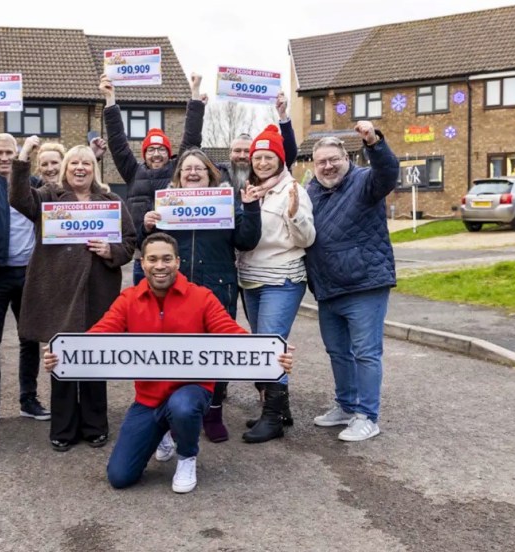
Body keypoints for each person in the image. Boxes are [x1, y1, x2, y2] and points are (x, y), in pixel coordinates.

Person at [42, 233, 294, 493]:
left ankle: (186, 456)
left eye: (166, 259)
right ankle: (162, 432)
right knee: (120, 477)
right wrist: (66, 353)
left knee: (183, 407)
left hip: (192, 391)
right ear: (143, 264)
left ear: (177, 262)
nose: (159, 266)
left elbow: (230, 333)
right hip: (148, 399)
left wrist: (270, 354)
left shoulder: (202, 297)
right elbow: (101, 334)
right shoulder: (129, 299)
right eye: (152, 259)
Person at [9, 137, 136, 451]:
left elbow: (131, 241)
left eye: (86, 164)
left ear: (94, 169)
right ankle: (63, 428)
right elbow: (18, 199)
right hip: (58, 291)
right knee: (62, 360)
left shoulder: (110, 201)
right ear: (65, 169)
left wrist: (112, 250)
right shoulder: (48, 197)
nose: (80, 168)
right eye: (75, 163)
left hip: (98, 292)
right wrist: (23, 157)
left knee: (93, 360)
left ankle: (95, 425)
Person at [139, 149, 261, 442]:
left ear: (210, 175)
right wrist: (146, 227)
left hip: (217, 285)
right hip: (175, 288)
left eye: (199, 169)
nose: (192, 173)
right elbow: (150, 249)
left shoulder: (226, 202)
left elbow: (246, 240)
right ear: (178, 177)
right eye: (186, 170)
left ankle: (213, 411)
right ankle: (172, 410)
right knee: (173, 349)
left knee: (216, 350)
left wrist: (251, 208)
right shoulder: (165, 204)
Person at [305, 120, 400, 442]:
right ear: (314, 165)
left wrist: (374, 142)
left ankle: (367, 416)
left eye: (334, 159)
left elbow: (388, 172)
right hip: (327, 286)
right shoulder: (311, 192)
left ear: (347, 159)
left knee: (365, 352)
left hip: (364, 284)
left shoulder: (365, 181)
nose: (328, 166)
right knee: (337, 352)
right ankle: (346, 406)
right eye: (321, 161)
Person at [0, 108, 50, 429]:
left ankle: (28, 399)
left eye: (9, 153)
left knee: (29, 337)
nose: (4, 157)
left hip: (29, 272)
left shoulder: (30, 183)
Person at [236, 125, 316, 444]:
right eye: (258, 157)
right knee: (263, 346)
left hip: (282, 277)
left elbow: (308, 238)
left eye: (269, 157)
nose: (263, 162)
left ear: (280, 159)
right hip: (251, 278)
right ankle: (280, 411)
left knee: (271, 346)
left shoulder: (292, 190)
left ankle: (273, 419)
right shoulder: (249, 189)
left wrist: (295, 215)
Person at [100, 72, 205, 285]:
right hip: (143, 257)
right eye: (151, 150)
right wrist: (110, 100)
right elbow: (118, 144)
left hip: (175, 256)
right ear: (144, 153)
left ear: (169, 153)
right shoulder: (132, 172)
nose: (156, 154)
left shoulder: (178, 170)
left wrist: (195, 95)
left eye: (161, 149)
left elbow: (192, 139)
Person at [217, 91, 299, 192]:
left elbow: (289, 153)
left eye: (247, 151)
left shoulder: (263, 172)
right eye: (237, 151)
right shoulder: (218, 173)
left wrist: (282, 115)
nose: (242, 156)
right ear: (230, 154)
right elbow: (193, 151)